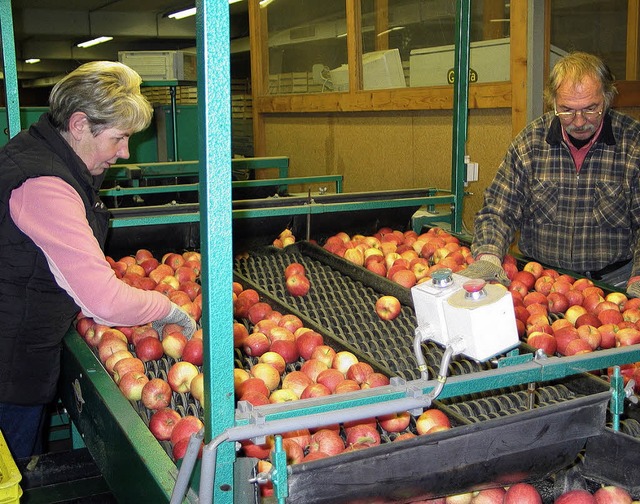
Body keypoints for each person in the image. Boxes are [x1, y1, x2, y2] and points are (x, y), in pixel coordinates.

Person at [0, 61, 196, 459]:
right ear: (78, 125)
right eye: (119, 138)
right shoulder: (44, 185)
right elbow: (104, 301)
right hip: (9, 365)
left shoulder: (39, 150)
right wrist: (167, 309)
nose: (124, 153)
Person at [462, 52, 640, 294]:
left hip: (611, 286)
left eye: (590, 109)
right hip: (541, 283)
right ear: (553, 102)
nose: (578, 122)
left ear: (607, 99)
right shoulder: (531, 142)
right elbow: (499, 210)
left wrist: (637, 280)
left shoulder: (633, 144)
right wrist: (488, 257)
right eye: (566, 110)